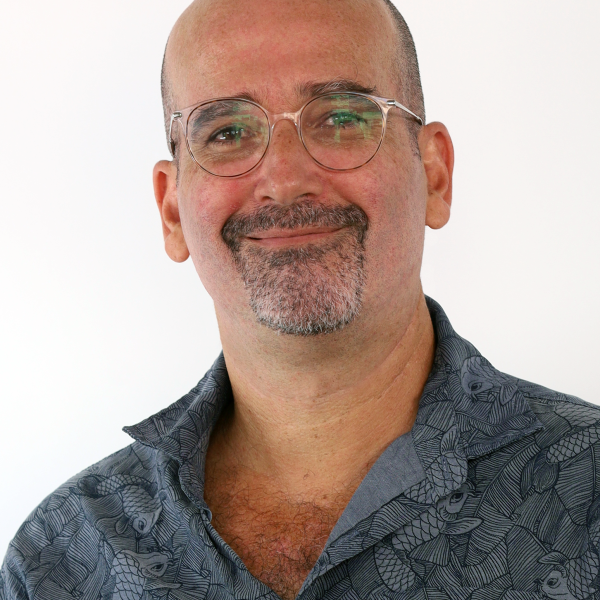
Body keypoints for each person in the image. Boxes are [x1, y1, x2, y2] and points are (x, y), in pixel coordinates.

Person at [1, 0, 598, 599]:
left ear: (435, 175)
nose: (285, 178)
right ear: (173, 210)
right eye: (228, 132)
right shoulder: (57, 558)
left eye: (341, 118)